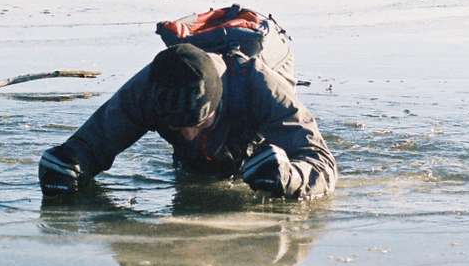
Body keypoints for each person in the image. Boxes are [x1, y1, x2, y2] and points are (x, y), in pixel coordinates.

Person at [38, 12, 337, 200]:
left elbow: (321, 162)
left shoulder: (261, 85)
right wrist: (66, 165)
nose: (188, 135)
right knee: (196, 164)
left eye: (199, 124)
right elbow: (92, 142)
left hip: (271, 54)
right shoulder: (148, 88)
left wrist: (288, 175)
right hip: (206, 76)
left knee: (252, 157)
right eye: (176, 128)